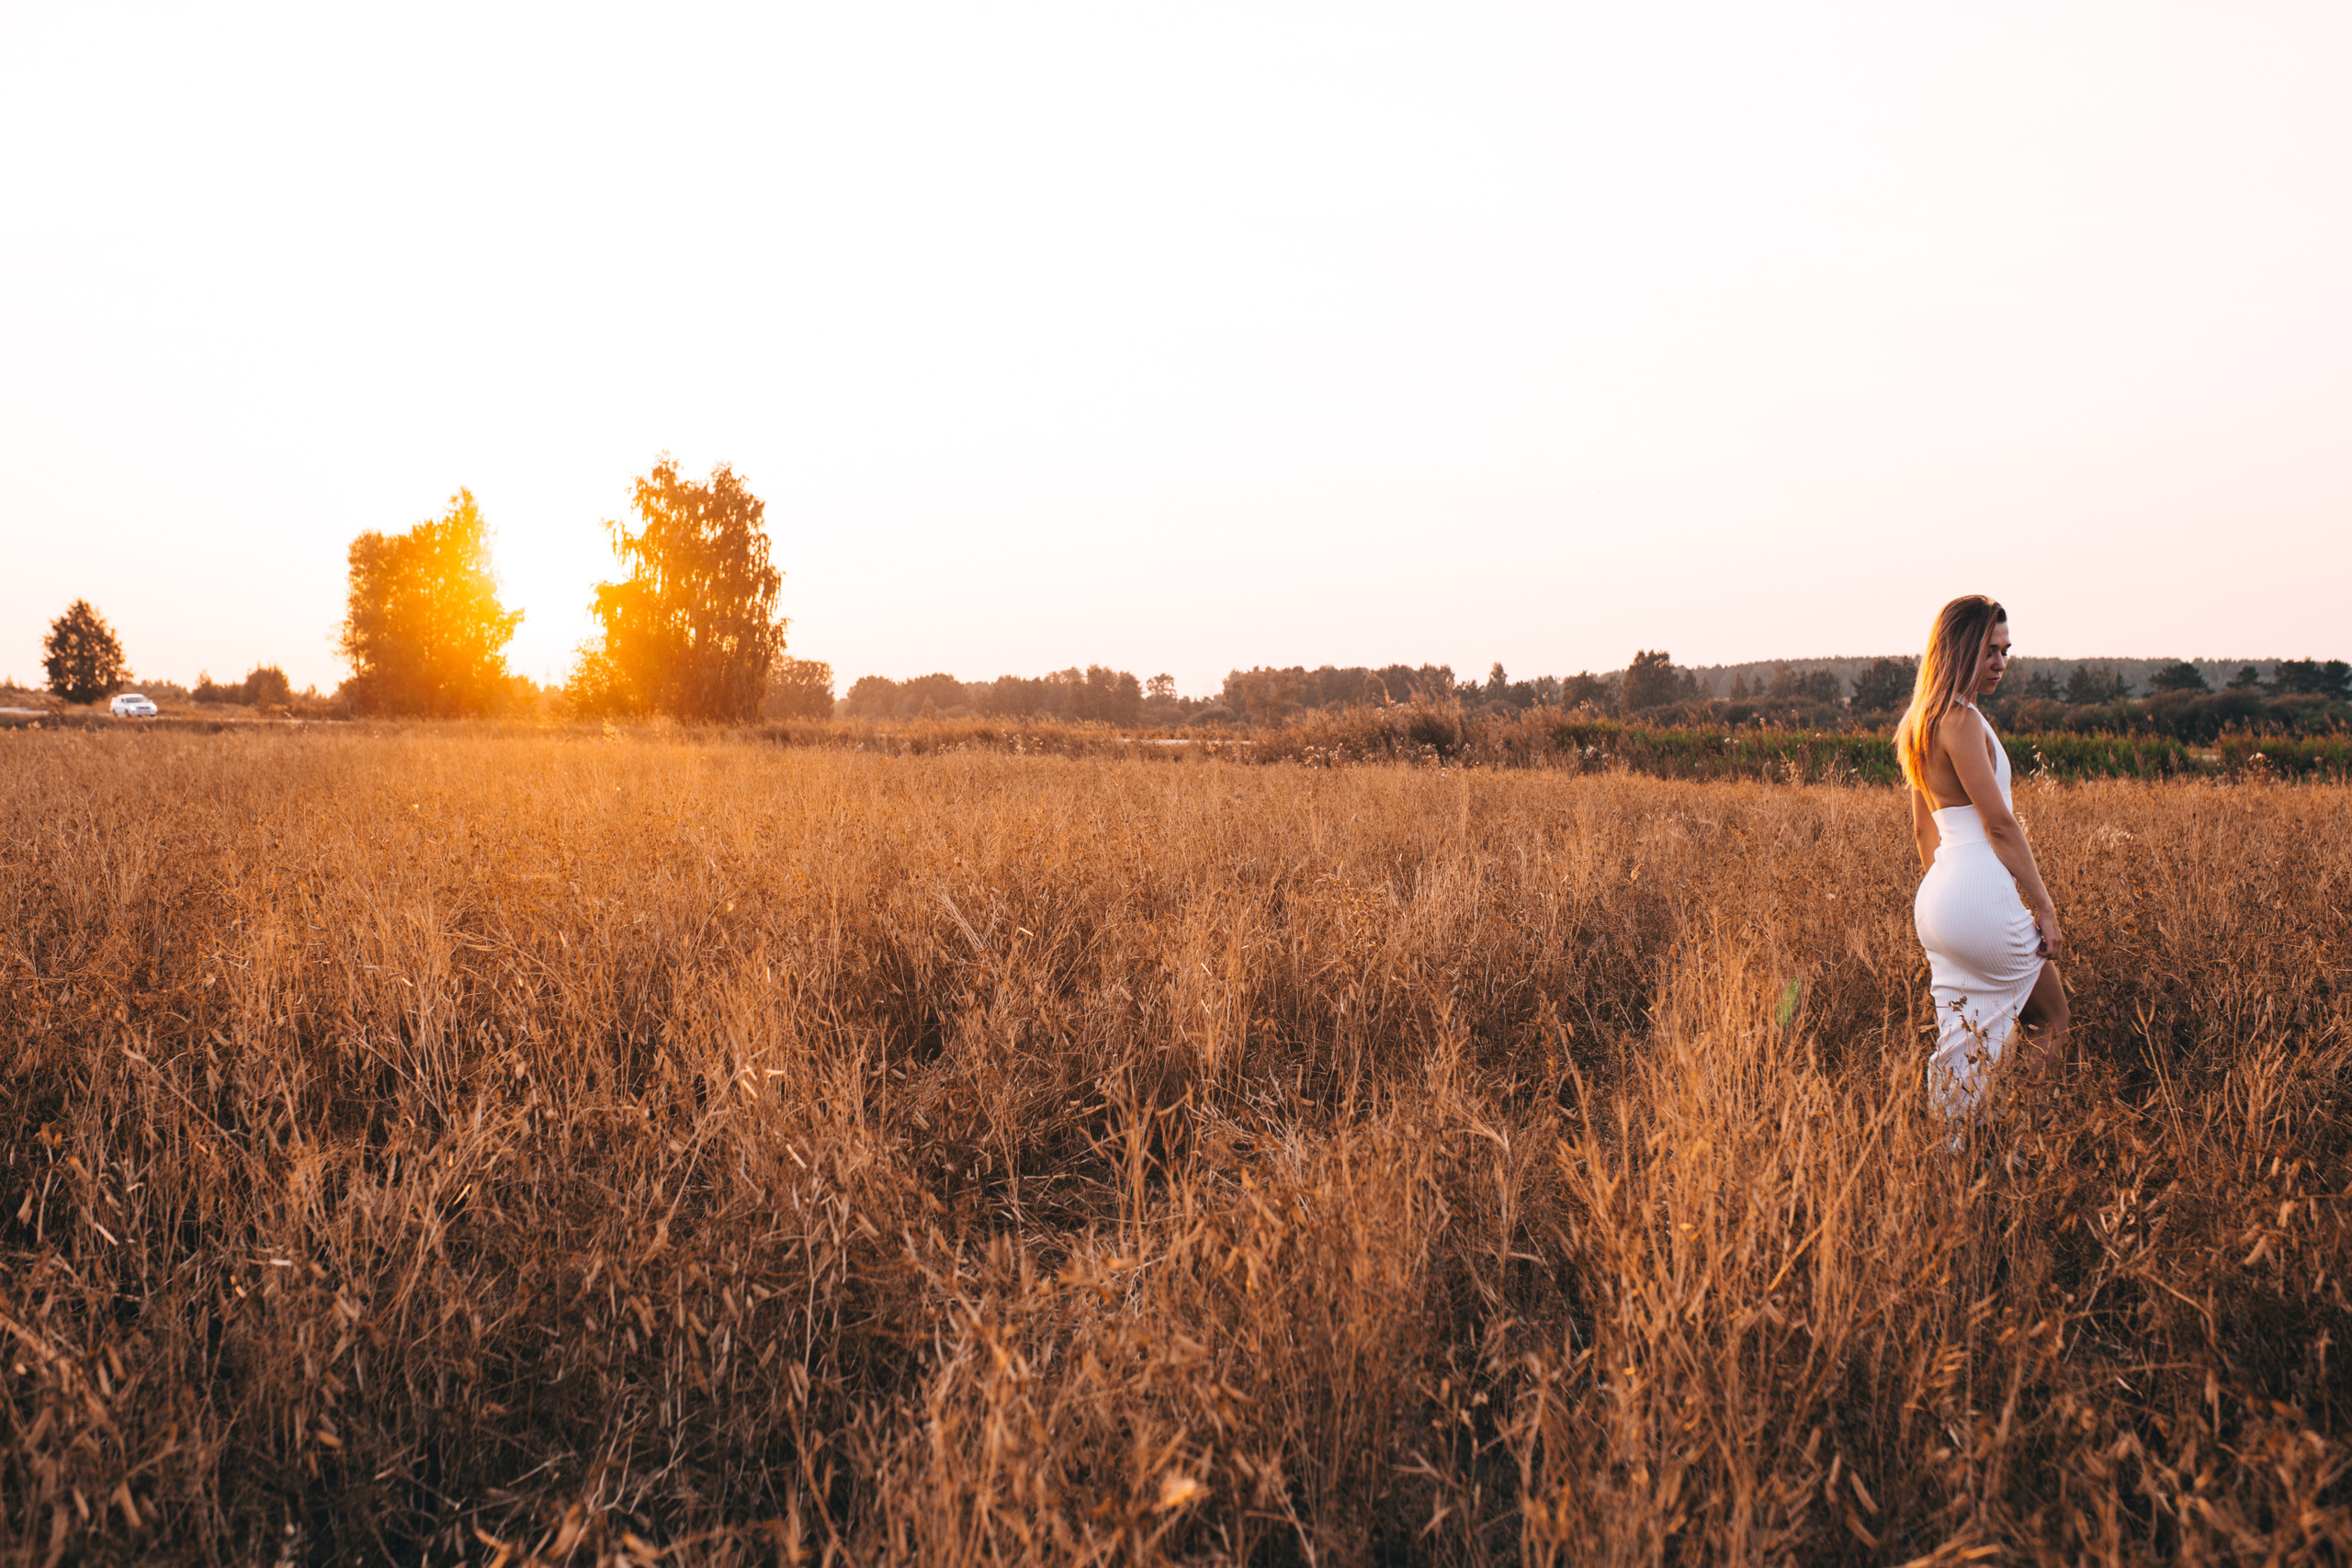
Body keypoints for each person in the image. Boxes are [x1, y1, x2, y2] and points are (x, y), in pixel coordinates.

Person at [1895, 595, 2069, 1127]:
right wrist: (2045, 907)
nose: (2001, 663)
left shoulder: (1918, 722)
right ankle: (2016, 1146)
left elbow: (1924, 829)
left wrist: (1951, 899)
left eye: (2006, 651)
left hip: (1938, 899)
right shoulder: (1962, 719)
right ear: (1960, 649)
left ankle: (1949, 1159)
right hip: (1976, 888)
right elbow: (1999, 825)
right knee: (2053, 1019)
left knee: (1959, 1041)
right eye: (1990, 652)